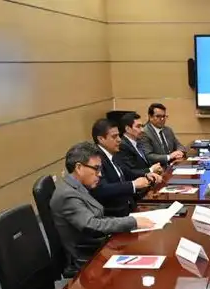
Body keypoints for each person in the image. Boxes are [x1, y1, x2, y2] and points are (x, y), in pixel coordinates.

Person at [51, 142, 155, 272]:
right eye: (96, 168)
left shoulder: (78, 186)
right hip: (89, 256)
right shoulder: (67, 194)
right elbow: (93, 225)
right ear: (79, 167)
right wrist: (132, 222)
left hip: (100, 244)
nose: (100, 174)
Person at [90, 118, 158, 217]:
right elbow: (102, 189)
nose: (119, 140)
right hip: (113, 215)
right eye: (114, 136)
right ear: (101, 139)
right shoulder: (95, 159)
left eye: (118, 135)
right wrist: (133, 185)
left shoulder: (113, 153)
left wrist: (147, 174)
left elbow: (127, 172)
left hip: (130, 208)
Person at [116, 111, 164, 179]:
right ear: (127, 129)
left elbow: (144, 164)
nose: (142, 130)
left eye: (142, 126)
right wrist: (151, 170)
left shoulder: (139, 141)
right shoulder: (122, 146)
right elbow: (130, 172)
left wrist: (156, 169)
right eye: (138, 127)